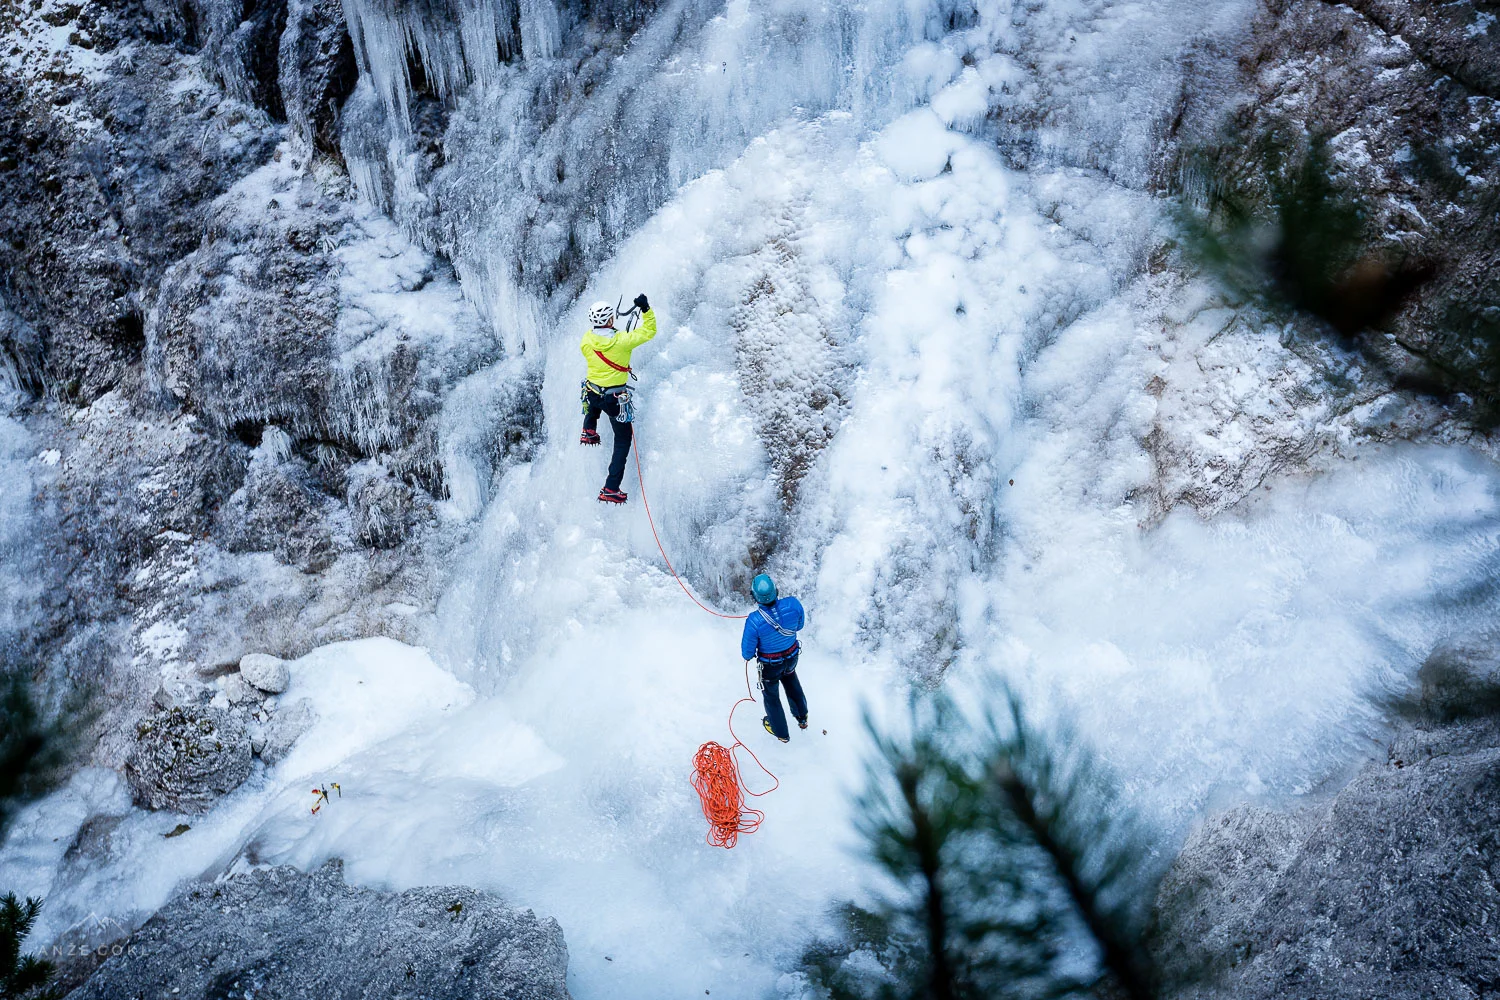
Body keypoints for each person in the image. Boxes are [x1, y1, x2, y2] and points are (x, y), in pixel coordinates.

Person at [580, 294, 657, 504]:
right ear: (611, 319)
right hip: (615, 399)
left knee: (590, 395)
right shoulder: (623, 341)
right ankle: (611, 488)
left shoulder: (586, 340)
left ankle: (589, 430)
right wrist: (646, 309)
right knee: (622, 441)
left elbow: (603, 339)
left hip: (593, 394)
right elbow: (649, 331)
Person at [740, 573, 807, 743]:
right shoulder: (793, 604)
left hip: (770, 666)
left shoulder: (754, 621)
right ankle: (802, 717)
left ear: (754, 597)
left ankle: (781, 733)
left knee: (771, 697)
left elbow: (747, 653)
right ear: (776, 590)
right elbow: (799, 625)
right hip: (791, 656)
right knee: (792, 681)